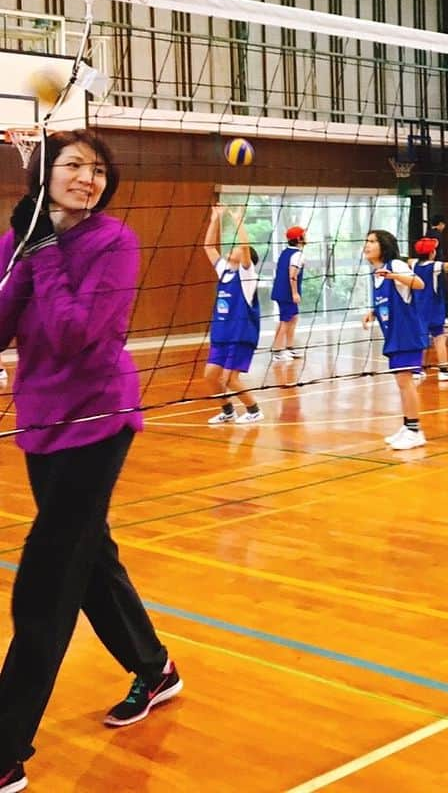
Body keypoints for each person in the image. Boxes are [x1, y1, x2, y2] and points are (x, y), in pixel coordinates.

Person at [0, 131, 181, 790]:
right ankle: (153, 663)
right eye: (74, 165)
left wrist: (42, 249)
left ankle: (4, 749)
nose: (87, 178)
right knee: (89, 553)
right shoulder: (25, 241)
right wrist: (23, 248)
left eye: (98, 169)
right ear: (46, 175)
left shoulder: (116, 243)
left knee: (50, 577)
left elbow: (78, 334)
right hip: (40, 425)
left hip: (99, 421)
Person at [362, 230, 427, 450]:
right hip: (394, 336)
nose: (367, 245)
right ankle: (408, 426)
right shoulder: (375, 273)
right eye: (366, 241)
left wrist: (394, 276)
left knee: (405, 382)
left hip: (407, 334)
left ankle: (415, 431)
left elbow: (419, 284)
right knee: (402, 383)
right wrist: (373, 311)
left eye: (372, 241)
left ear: (384, 245)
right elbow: (386, 300)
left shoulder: (395, 266)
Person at [203, 205, 263, 426]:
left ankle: (254, 410)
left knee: (230, 378)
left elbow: (245, 246)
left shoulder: (247, 277)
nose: (234, 248)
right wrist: (215, 219)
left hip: (240, 335)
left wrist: (238, 221)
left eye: (237, 248)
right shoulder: (225, 271)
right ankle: (228, 411)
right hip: (221, 335)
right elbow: (208, 247)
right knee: (210, 376)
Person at [412, 236, 448, 381]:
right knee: (439, 337)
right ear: (432, 253)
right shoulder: (435, 266)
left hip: (418, 308)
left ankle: (416, 370)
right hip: (433, 307)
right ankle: (443, 370)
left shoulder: (413, 264)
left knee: (421, 339)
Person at [270, 225, 306, 363]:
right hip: (287, 293)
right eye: (304, 234)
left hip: (281, 291)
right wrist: (295, 293)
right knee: (286, 320)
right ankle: (277, 351)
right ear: (299, 238)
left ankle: (289, 347)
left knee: (293, 318)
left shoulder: (286, 252)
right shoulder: (297, 255)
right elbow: (292, 276)